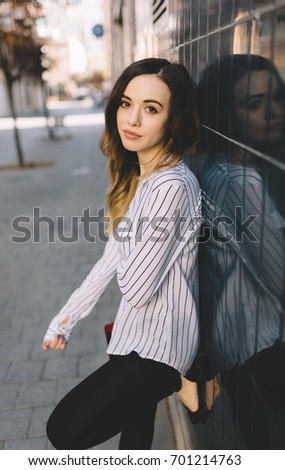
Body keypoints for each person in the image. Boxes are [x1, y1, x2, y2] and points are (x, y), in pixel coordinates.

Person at [42, 57, 202, 450]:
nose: (132, 119)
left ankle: (182, 377)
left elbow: (136, 287)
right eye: (126, 103)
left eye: (151, 109)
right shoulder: (140, 176)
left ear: (173, 119)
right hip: (134, 334)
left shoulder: (169, 187)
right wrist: (64, 319)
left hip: (160, 348)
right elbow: (109, 262)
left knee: (63, 431)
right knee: (135, 436)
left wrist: (130, 234)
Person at [198, 54, 285, 449]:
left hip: (235, 344)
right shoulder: (242, 182)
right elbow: (280, 277)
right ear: (225, 115)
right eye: (254, 104)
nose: (274, 113)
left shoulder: (216, 167)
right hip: (258, 347)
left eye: (276, 97)